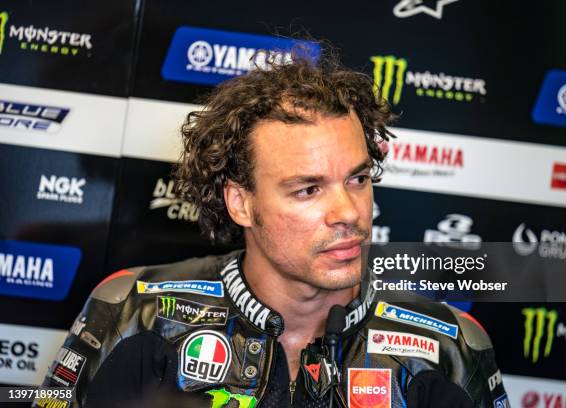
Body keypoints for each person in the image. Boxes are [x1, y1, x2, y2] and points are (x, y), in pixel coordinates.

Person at [34, 49, 508, 408]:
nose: (349, 212)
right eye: (308, 189)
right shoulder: (134, 312)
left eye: (358, 179)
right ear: (241, 202)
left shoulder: (450, 348)